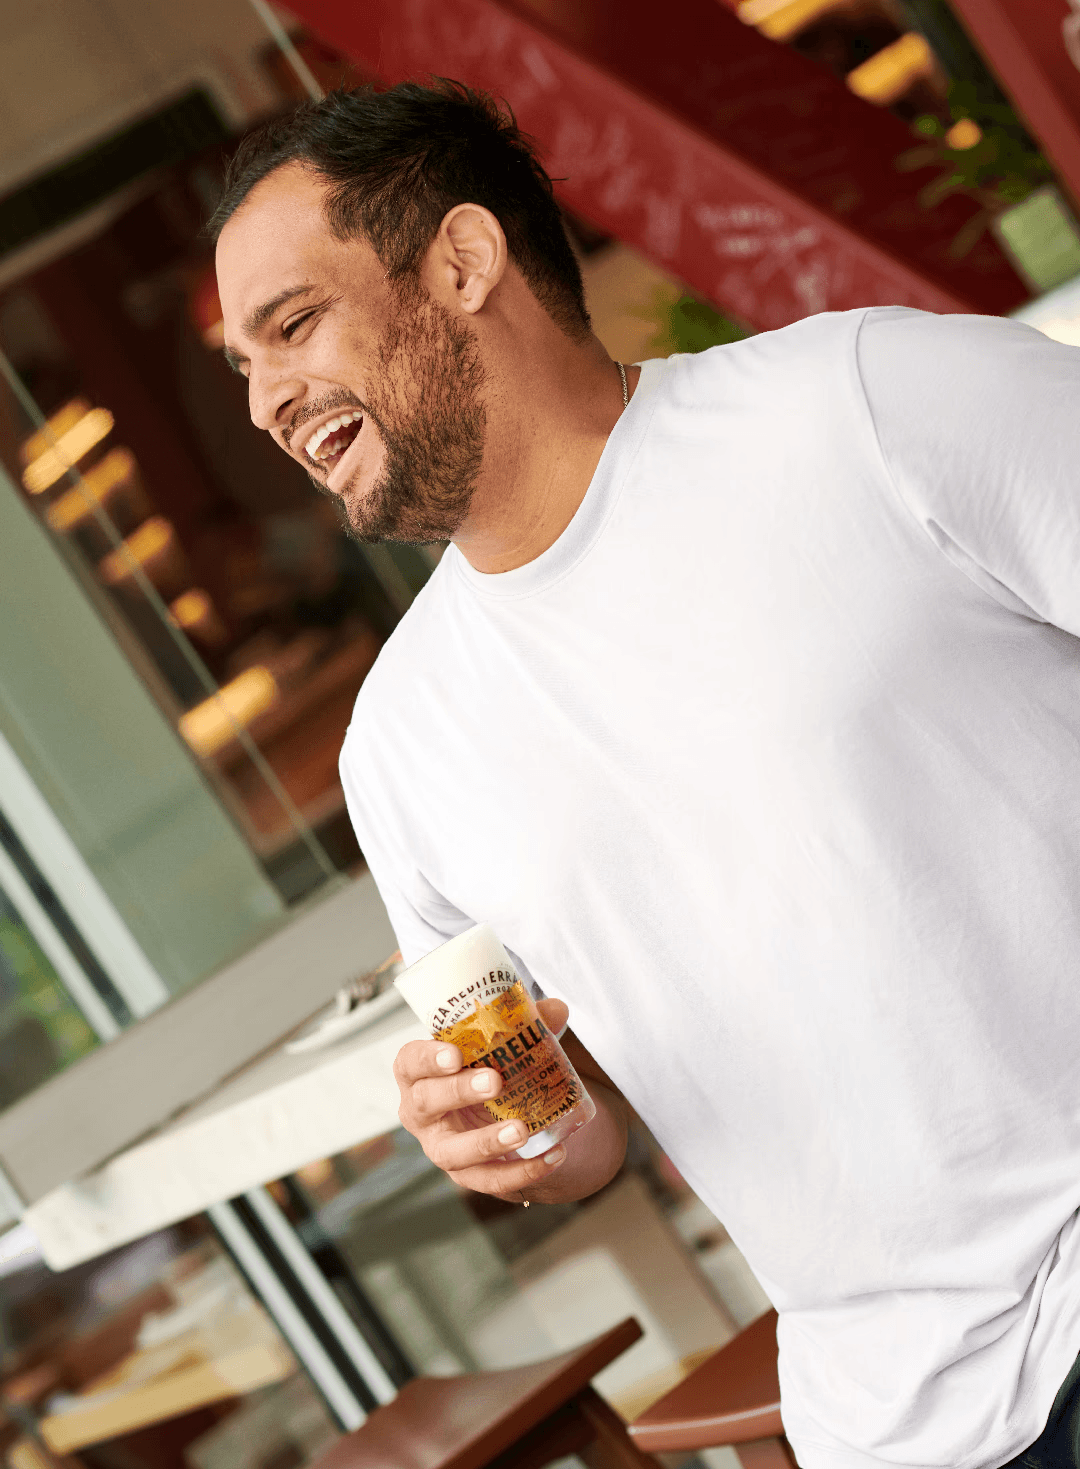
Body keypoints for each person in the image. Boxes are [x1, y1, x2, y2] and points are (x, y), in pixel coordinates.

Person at [212, 81, 1080, 1469]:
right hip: (909, 1425)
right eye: (240, 366)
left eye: (293, 325)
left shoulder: (868, 406)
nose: (264, 402)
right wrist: (530, 1149)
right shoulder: (403, 746)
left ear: (462, 260)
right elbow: (582, 1109)